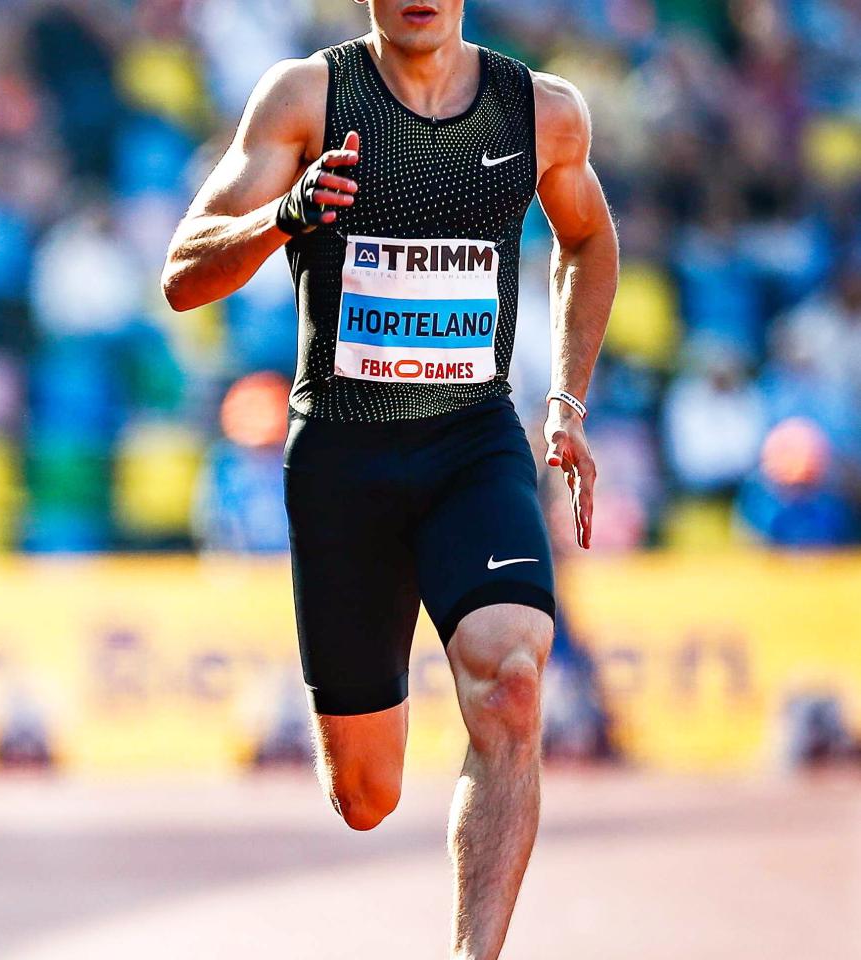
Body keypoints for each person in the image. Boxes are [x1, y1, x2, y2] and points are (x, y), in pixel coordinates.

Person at [161, 1, 616, 956]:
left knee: (513, 682)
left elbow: (587, 238)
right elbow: (183, 275)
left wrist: (566, 401)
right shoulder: (304, 98)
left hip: (473, 445)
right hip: (342, 458)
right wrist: (283, 218)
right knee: (366, 795)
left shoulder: (540, 111)